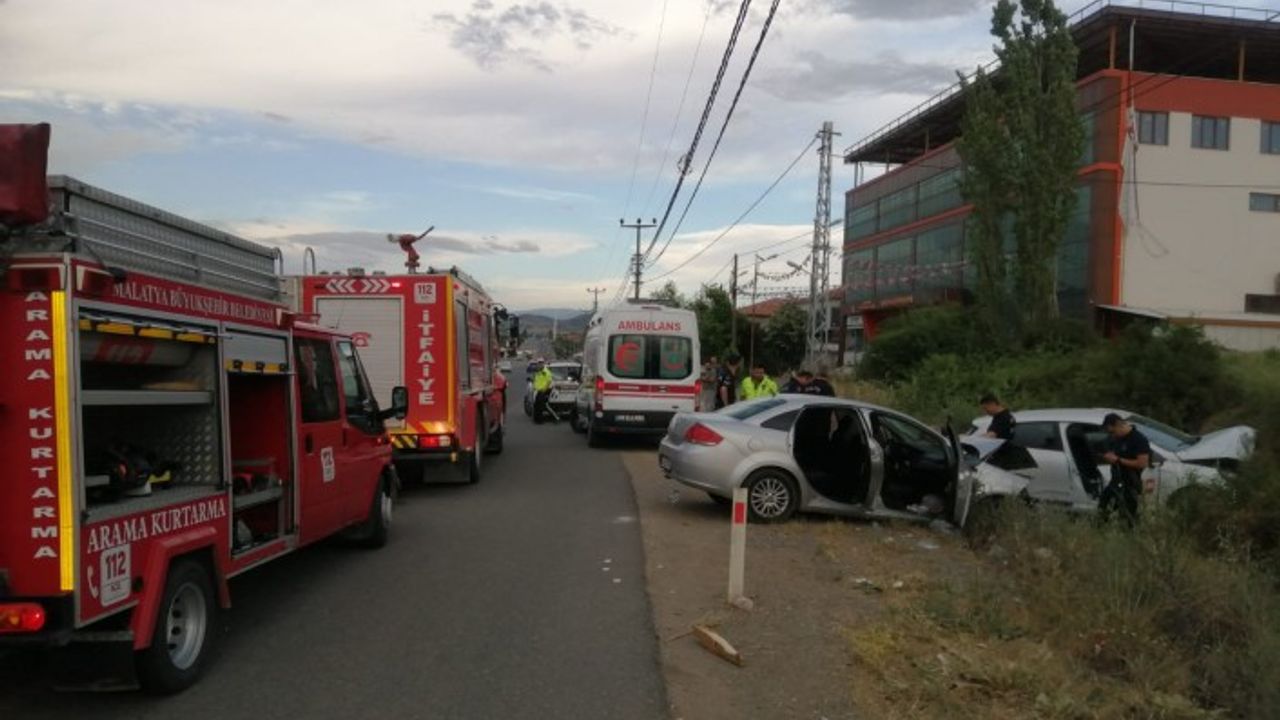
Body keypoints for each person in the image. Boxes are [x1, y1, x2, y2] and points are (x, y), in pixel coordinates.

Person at [1099, 413, 1150, 526]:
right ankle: (1101, 530)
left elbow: (1142, 463)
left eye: (1112, 432)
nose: (1112, 435)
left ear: (1119, 424)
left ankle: (1129, 532)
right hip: (1116, 481)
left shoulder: (1138, 439)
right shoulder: (1117, 438)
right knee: (1103, 507)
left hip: (1130, 483)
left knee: (1127, 516)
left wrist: (1118, 460)